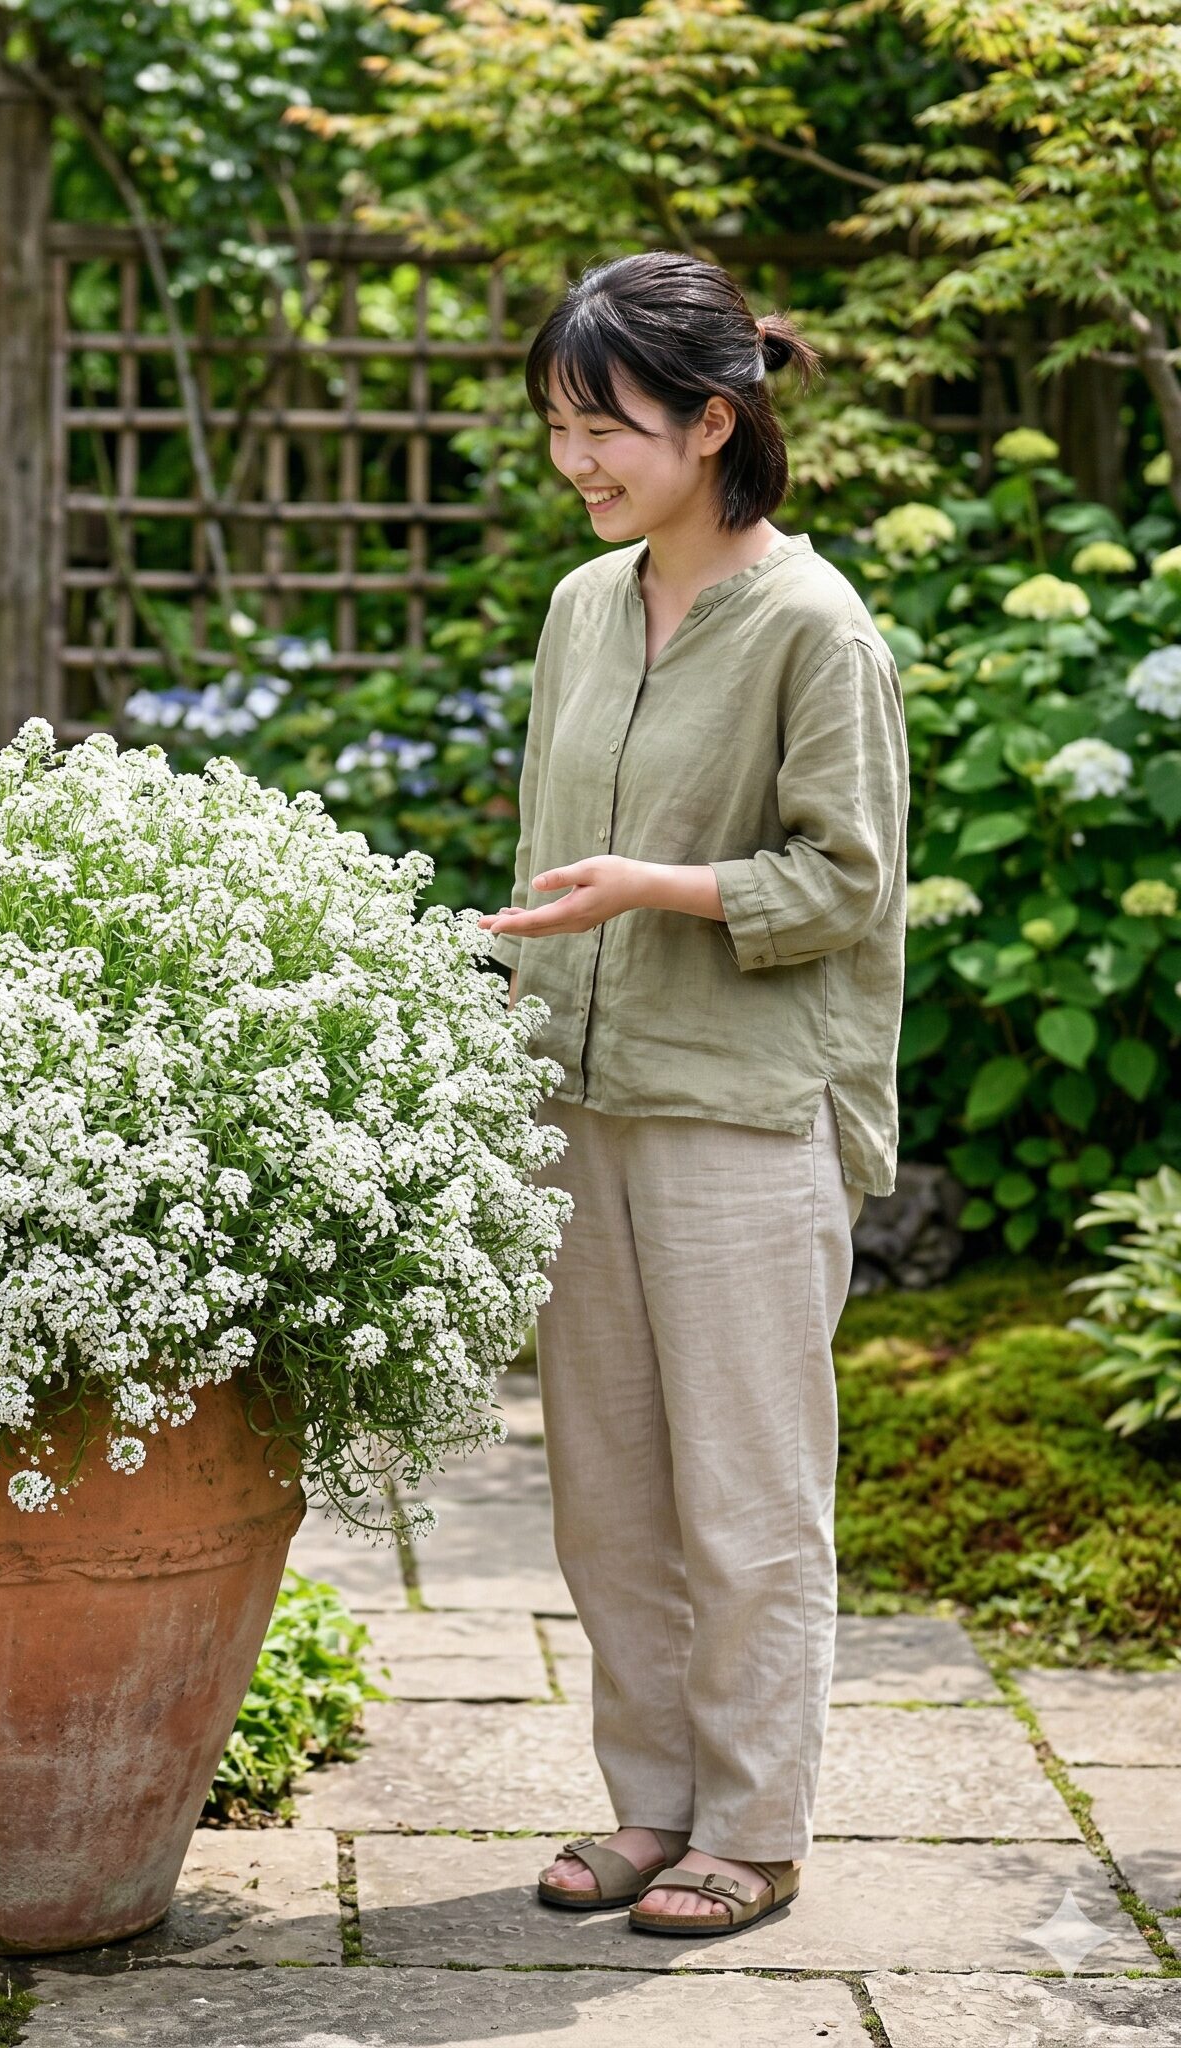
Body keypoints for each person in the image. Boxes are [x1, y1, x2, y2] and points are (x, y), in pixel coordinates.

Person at [479, 250, 908, 1937]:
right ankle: (649, 1807)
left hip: (743, 1111)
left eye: (608, 428)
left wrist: (658, 887)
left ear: (712, 421)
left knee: (745, 1493)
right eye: (560, 429)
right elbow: (540, 856)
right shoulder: (583, 610)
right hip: (585, 1096)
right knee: (607, 1486)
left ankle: (758, 1823)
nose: (577, 462)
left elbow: (848, 884)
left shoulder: (817, 625)